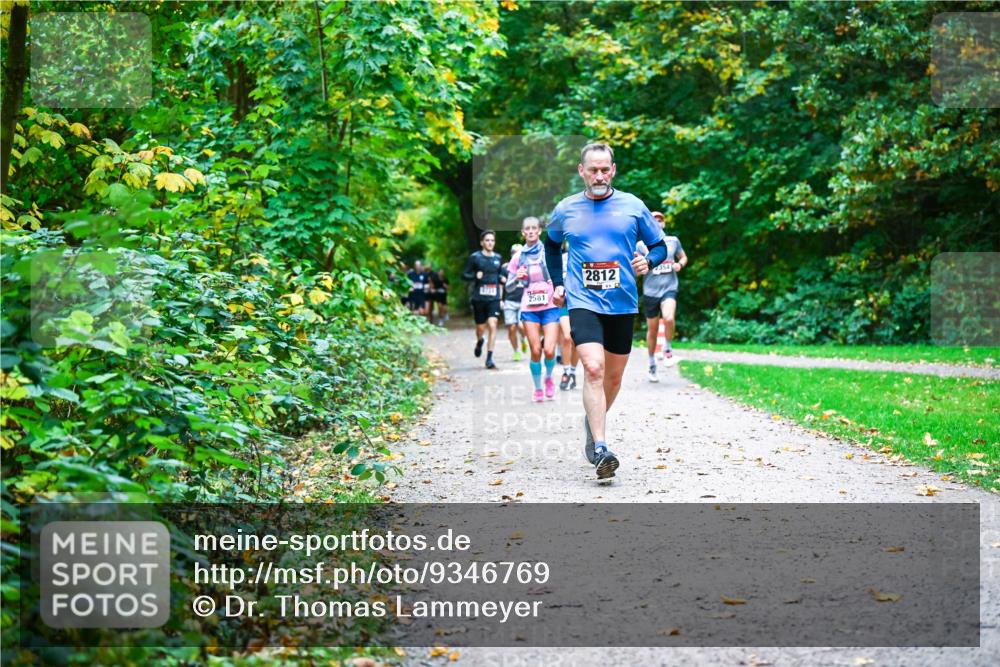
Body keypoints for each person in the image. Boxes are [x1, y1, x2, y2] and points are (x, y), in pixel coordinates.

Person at [545, 143, 669, 480]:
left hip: (622, 302)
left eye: (604, 169)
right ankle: (601, 448)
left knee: (613, 377)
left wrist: (650, 260)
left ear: (613, 170)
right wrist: (558, 282)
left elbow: (659, 245)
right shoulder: (566, 209)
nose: (599, 176)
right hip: (582, 300)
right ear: (580, 170)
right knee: (594, 369)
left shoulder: (633, 206)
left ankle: (591, 422)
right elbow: (551, 244)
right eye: (592, 170)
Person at [506, 217, 562, 401]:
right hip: (529, 307)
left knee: (549, 350)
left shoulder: (549, 251)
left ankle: (548, 378)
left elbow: (561, 273)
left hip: (550, 305)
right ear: (523, 232)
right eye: (527, 229)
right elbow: (508, 287)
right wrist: (517, 277)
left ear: (539, 231)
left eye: (534, 228)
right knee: (536, 350)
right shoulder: (518, 257)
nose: (530, 231)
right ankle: (538, 388)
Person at [638, 211, 688, 381]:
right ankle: (652, 363)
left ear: (664, 224)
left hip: (669, 287)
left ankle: (667, 348)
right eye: (654, 219)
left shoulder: (673, 241)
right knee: (652, 330)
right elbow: (634, 266)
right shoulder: (641, 245)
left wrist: (679, 265)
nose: (658, 222)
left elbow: (683, 257)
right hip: (650, 291)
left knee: (668, 318)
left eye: (660, 219)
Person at [462, 230, 504, 369]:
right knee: (481, 328)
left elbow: (499, 276)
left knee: (492, 324)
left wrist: (501, 279)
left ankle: (489, 358)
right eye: (487, 240)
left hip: (494, 298)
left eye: (492, 240)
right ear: (482, 243)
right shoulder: (475, 258)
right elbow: (464, 275)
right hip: (479, 298)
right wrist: (475, 276)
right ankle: (480, 340)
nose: (490, 243)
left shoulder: (498, 258)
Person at [557, 244, 579, 390]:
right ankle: (565, 372)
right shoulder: (561, 258)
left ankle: (572, 371)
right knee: (566, 337)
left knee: (577, 339)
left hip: (580, 302)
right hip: (564, 302)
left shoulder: (585, 258)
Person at [501, 244, 527, 361]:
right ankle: (516, 351)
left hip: (523, 301)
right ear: (511, 254)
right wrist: (500, 300)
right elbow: (501, 285)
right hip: (509, 301)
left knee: (521, 326)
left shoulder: (528, 266)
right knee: (511, 328)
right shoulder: (506, 268)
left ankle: (523, 338)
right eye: (514, 252)